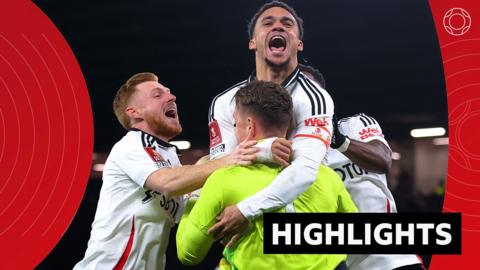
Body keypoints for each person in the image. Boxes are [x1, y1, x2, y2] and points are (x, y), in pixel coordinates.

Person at [73, 72, 258, 270]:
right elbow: (167, 183)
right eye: (157, 95)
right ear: (134, 112)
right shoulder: (131, 145)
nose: (172, 97)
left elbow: (190, 206)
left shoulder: (169, 159)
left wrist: (240, 217)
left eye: (169, 93)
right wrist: (230, 159)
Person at [178, 80, 357, 270]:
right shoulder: (327, 176)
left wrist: (193, 195)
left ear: (249, 126)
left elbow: (189, 253)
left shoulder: (224, 179)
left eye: (234, 123)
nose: (234, 130)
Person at [207, 0, 335, 243]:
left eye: (287, 24)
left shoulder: (315, 98)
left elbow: (305, 169)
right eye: (268, 23)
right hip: (248, 223)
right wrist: (267, 150)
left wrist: (246, 210)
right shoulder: (224, 102)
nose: (278, 27)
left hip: (302, 222)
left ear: (299, 43)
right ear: (252, 42)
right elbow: (222, 166)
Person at [302, 66, 425, 270]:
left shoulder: (355, 125)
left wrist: (338, 141)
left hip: (393, 259)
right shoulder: (291, 151)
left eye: (309, 90)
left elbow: (383, 160)